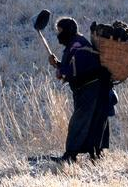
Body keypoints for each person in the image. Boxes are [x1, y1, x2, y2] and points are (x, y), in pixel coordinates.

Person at [48, 17, 115, 163]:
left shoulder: (78, 45)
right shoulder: (76, 43)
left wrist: (59, 68)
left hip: (92, 88)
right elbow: (72, 69)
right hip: (90, 89)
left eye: (60, 31)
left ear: (67, 31)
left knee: (79, 122)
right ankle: (94, 155)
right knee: (93, 121)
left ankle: (70, 156)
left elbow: (72, 71)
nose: (58, 35)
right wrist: (58, 65)